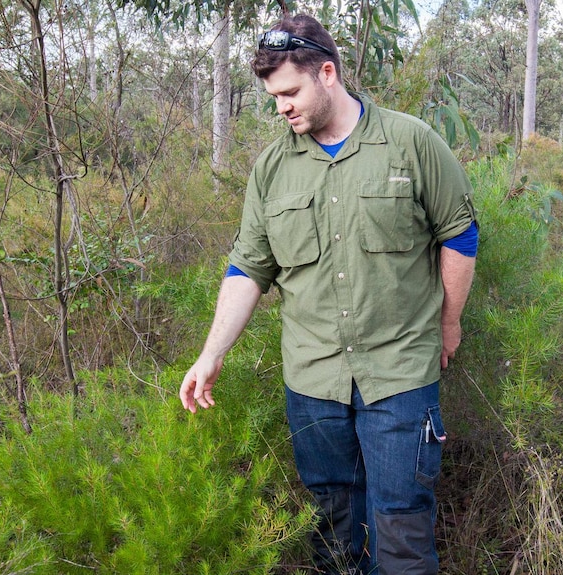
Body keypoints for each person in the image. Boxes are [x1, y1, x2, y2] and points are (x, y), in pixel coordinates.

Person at [179, 13, 478, 575]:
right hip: (313, 380)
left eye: (290, 92)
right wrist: (211, 352)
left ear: (327, 72)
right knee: (334, 529)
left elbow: (459, 233)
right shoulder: (272, 169)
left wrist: (448, 322)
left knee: (402, 525)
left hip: (400, 375)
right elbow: (249, 267)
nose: (281, 106)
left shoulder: (409, 142)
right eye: (273, 96)